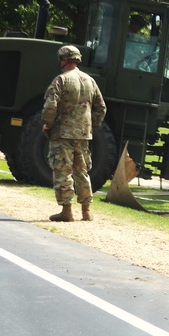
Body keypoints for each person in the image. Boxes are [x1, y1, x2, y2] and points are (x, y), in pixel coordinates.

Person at [42, 45, 107, 222]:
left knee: (63, 170)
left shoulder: (61, 80)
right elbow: (101, 107)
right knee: (82, 171)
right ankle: (86, 211)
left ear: (63, 60)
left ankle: (67, 211)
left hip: (62, 133)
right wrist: (91, 126)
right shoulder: (90, 81)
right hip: (83, 134)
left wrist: (48, 124)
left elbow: (50, 106)